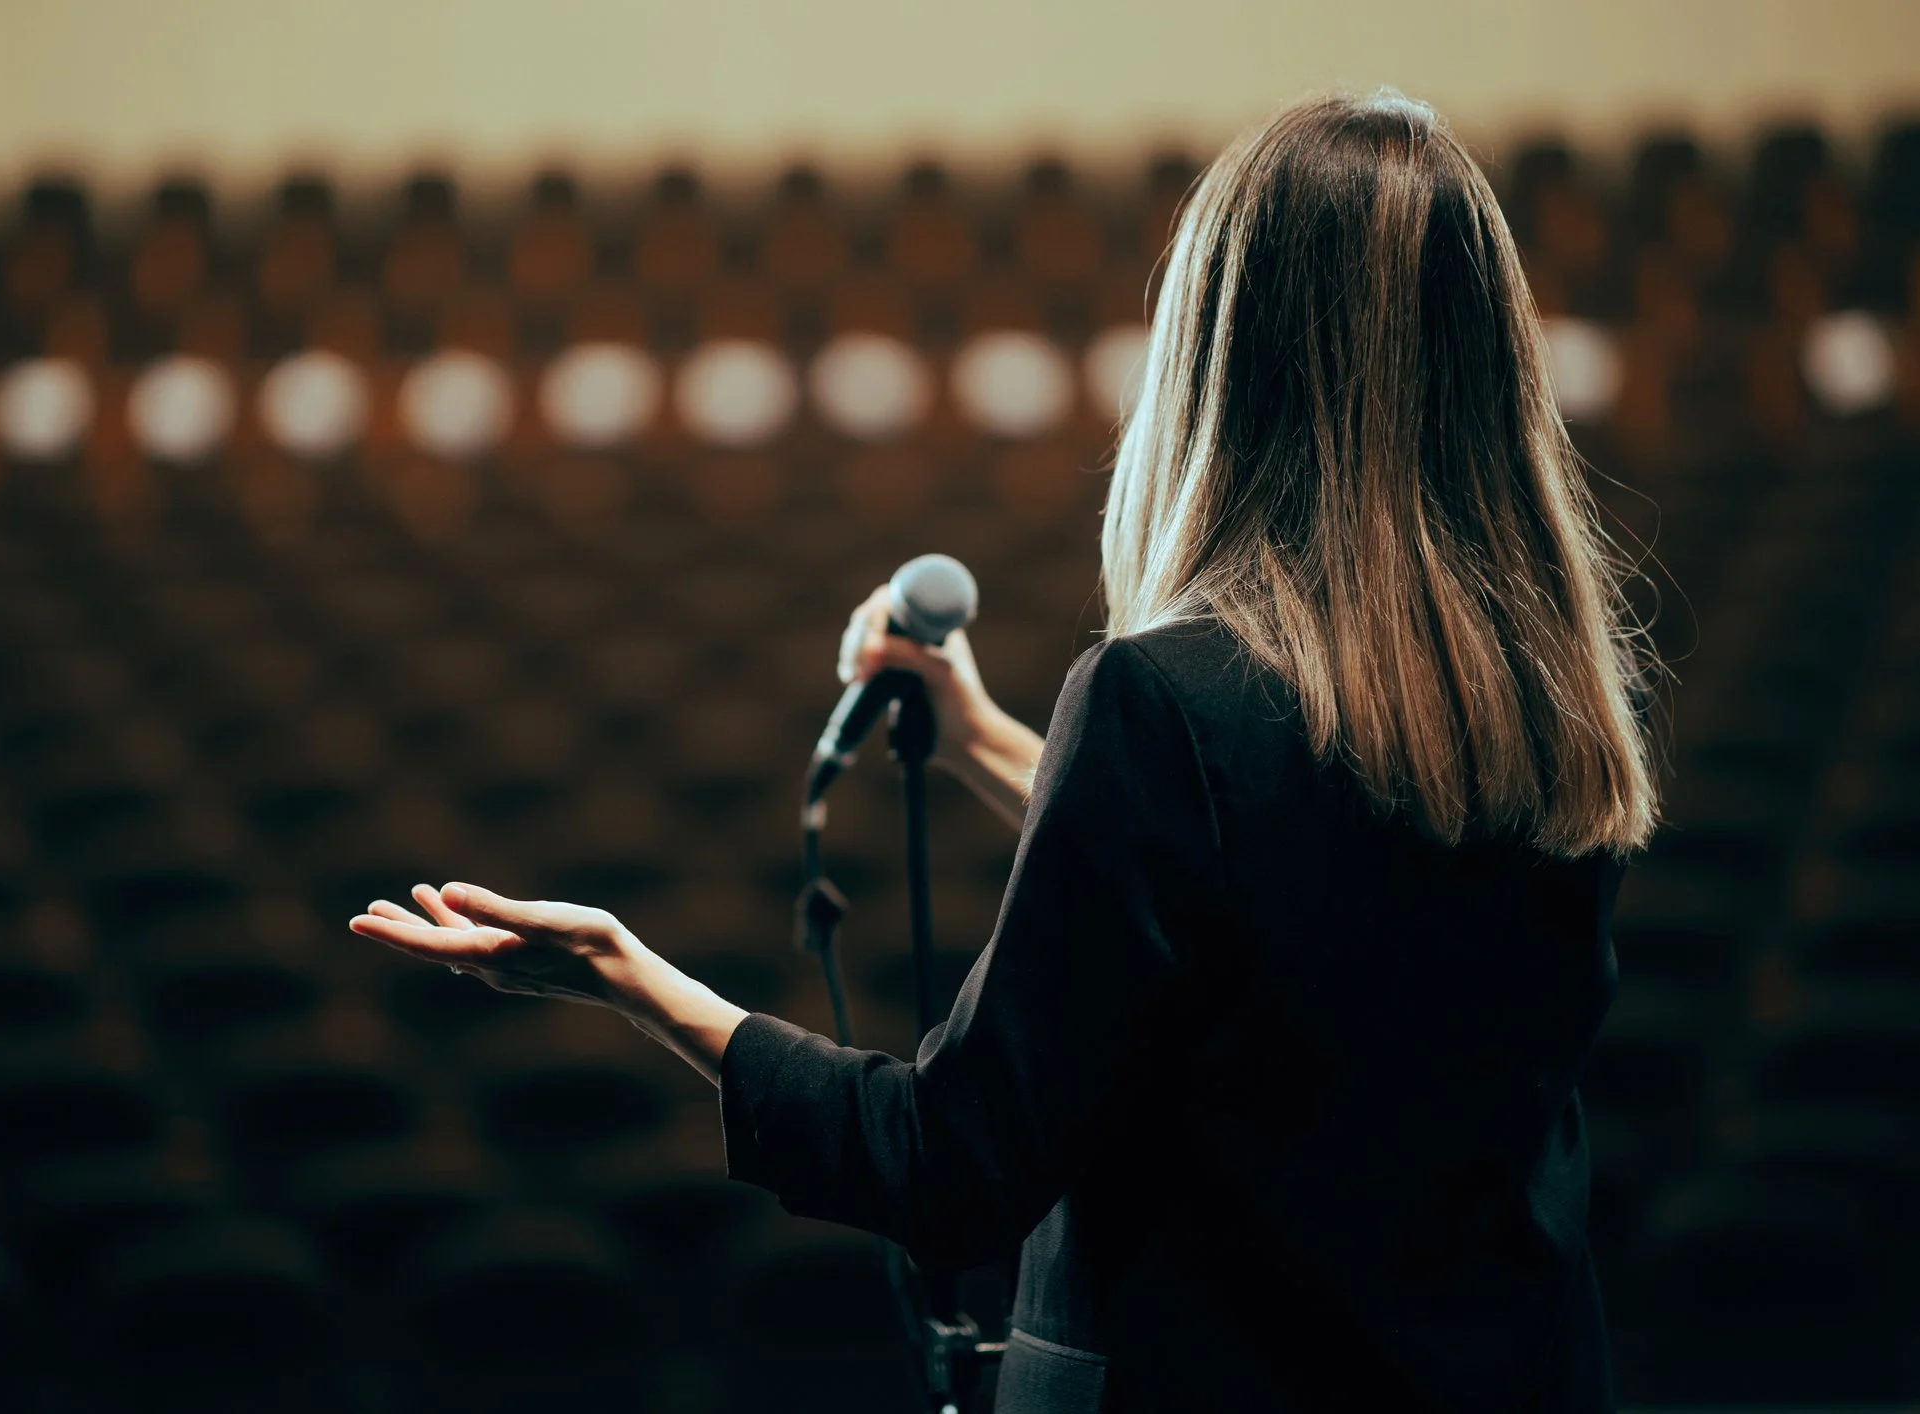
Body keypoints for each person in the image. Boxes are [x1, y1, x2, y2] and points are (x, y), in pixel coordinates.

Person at [350, 87, 1665, 1413]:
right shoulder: (1541, 716)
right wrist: (983, 737)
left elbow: (952, 1160)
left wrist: (628, 975)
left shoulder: (1159, 703)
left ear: (1225, 356)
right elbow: (1287, 897)